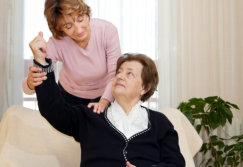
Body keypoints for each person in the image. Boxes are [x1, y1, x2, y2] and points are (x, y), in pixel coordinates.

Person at [34, 53, 185, 167]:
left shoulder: (160, 122)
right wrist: (42, 63)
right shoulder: (89, 115)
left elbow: (176, 163)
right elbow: (52, 108)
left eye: (129, 74)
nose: (119, 77)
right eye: (118, 72)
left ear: (145, 88)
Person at [22, 0, 121, 113]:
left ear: (86, 13)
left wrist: (104, 101)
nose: (78, 30)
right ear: (60, 29)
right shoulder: (56, 43)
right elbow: (32, 85)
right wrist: (30, 81)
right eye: (68, 26)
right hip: (69, 98)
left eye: (80, 19)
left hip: (105, 96)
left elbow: (115, 74)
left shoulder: (107, 31)